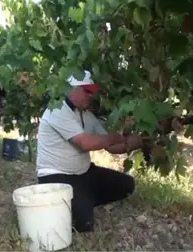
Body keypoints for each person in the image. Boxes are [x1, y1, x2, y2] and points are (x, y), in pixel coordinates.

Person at [36, 70, 143, 232]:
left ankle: (80, 199)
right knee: (83, 223)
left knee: (127, 185)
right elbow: (85, 143)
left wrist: (135, 143)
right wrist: (118, 137)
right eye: (86, 90)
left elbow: (110, 146)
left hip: (83, 174)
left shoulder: (87, 115)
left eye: (91, 91)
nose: (90, 95)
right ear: (70, 89)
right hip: (55, 176)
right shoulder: (56, 110)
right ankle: (78, 202)